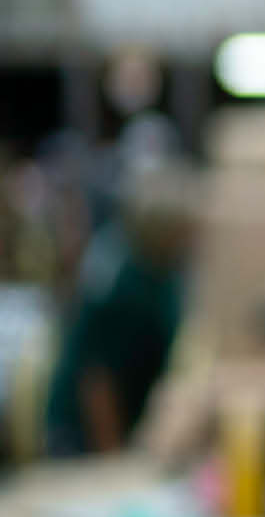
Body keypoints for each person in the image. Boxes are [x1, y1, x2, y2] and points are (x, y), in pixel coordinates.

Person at [44, 161, 194, 455]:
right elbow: (97, 380)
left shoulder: (165, 272)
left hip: (129, 415)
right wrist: (112, 456)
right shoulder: (117, 282)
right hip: (82, 434)